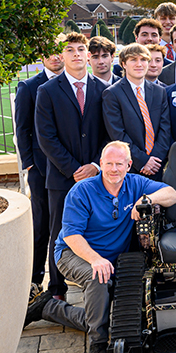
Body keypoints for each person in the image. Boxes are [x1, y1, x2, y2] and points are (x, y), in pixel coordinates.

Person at [25, 142, 176, 353]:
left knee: (109, 314)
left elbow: (172, 194)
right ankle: (97, 343)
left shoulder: (136, 184)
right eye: (108, 164)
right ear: (101, 163)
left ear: (129, 165)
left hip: (113, 258)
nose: (113, 169)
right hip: (73, 254)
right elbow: (72, 236)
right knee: (99, 277)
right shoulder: (82, 191)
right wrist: (95, 259)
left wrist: (147, 200)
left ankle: (48, 308)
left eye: (119, 164)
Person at [35, 32, 109, 301]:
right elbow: (46, 137)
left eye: (81, 49)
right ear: (62, 56)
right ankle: (56, 289)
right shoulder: (48, 91)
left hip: (97, 174)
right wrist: (73, 169)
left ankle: (100, 279)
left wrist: (93, 165)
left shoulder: (103, 90)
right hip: (62, 177)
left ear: (88, 55)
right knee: (60, 231)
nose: (76, 54)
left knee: (99, 225)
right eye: (70, 50)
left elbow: (109, 133)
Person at [15, 42, 64, 300]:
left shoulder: (73, 84)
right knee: (42, 226)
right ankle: (34, 280)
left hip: (69, 168)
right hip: (41, 169)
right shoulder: (29, 87)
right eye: (50, 52)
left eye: (60, 51)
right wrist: (30, 164)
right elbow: (22, 128)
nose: (55, 57)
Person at [102, 44, 171, 180]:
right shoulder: (112, 94)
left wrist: (155, 160)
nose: (139, 64)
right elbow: (117, 133)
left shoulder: (159, 91)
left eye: (144, 59)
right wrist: (143, 161)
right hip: (131, 167)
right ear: (123, 64)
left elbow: (165, 128)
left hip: (156, 166)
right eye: (133, 60)